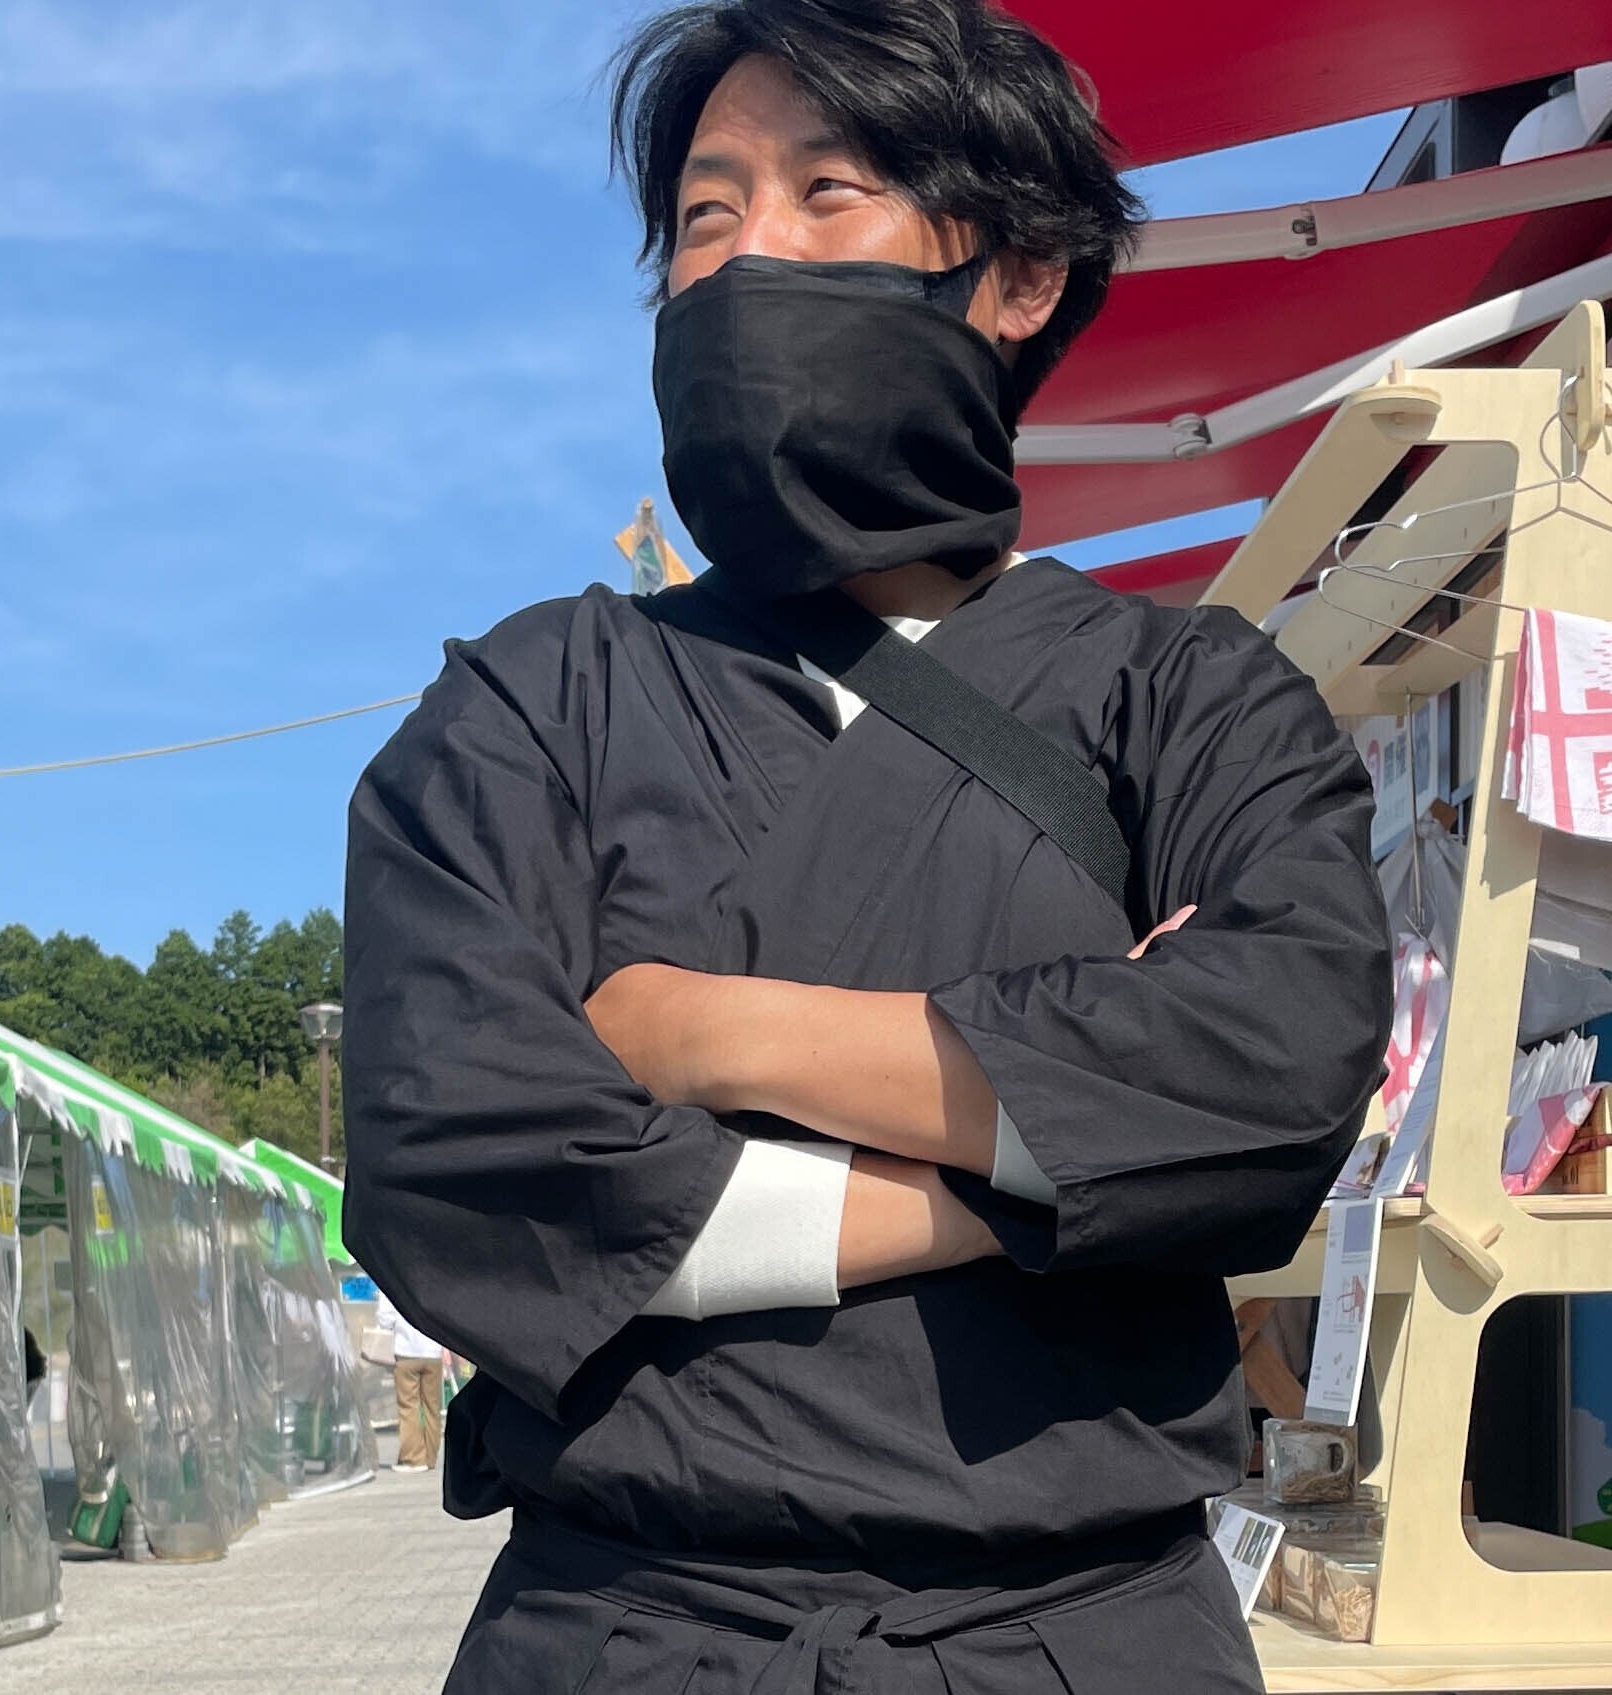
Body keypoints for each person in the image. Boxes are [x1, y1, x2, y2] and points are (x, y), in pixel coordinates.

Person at [343, 2, 1392, 1689]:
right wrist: (1047, 1169)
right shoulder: (534, 703)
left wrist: (703, 1031)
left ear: (1021, 272)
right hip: (625, 1631)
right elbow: (454, 1161)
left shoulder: (1187, 696)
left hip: (1086, 1635)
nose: (749, 254)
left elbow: (1274, 1066)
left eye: (828, 194)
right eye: (706, 214)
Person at [377, 1289, 450, 1473]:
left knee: (409, 1407)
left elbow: (385, 1319)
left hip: (406, 1351)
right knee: (432, 1407)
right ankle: (430, 1457)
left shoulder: (392, 1282)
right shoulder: (432, 1281)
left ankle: (413, 1458)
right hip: (433, 1352)